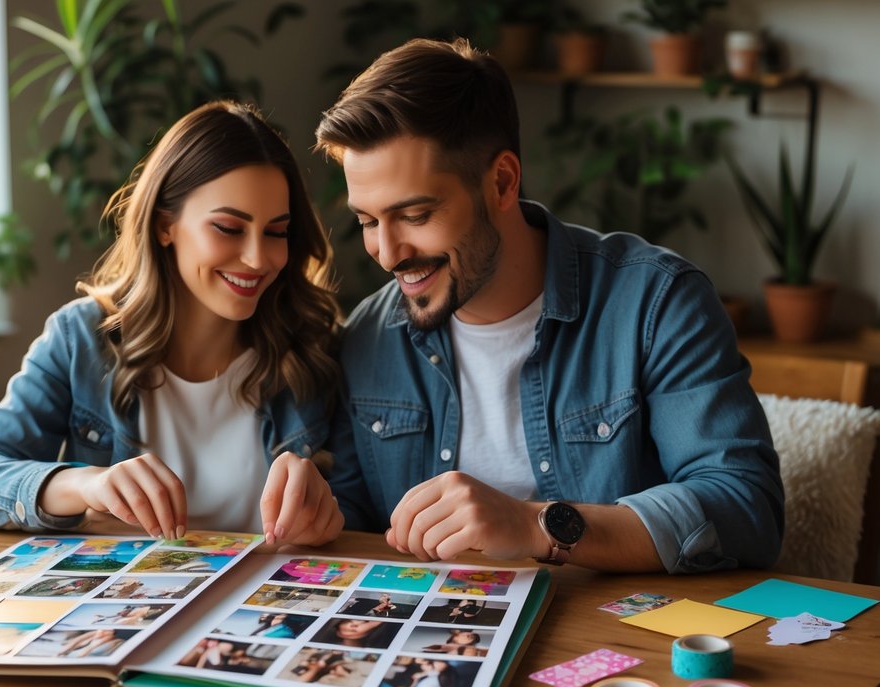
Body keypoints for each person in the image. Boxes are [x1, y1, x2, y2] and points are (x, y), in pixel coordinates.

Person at [314, 38, 783, 574]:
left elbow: (748, 510)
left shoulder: (656, 303)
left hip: (619, 638)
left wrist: (534, 525)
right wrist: (319, 513)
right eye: (368, 222)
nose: (388, 254)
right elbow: (355, 520)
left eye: (416, 215)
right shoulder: (369, 336)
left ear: (503, 182)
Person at [0, 101, 344, 546]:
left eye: (275, 232)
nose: (257, 258)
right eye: (229, 228)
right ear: (164, 226)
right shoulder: (80, 339)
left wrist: (328, 516)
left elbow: (356, 508)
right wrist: (87, 485)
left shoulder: (313, 346)